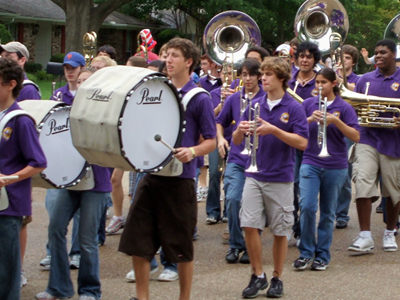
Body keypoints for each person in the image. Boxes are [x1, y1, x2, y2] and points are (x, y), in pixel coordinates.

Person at [118, 37, 216, 300]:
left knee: (181, 246)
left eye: (174, 55)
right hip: (150, 175)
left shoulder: (199, 98)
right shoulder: (156, 90)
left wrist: (193, 151)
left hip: (180, 179)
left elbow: (211, 140)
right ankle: (142, 296)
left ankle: (184, 297)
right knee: (138, 241)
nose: (168, 60)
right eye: (166, 54)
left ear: (189, 62)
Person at [234, 57, 308, 298]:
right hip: (254, 173)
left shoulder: (293, 107)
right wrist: (239, 130)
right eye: (262, 74)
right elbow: (236, 141)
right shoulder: (255, 103)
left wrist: (274, 129)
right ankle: (257, 275)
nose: (262, 78)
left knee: (279, 230)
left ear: (282, 79)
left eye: (268, 75)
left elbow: (303, 142)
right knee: (248, 224)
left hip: (280, 176)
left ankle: (277, 277)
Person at [292, 68, 360, 271]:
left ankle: (322, 255)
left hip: (336, 165)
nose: (319, 86)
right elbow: (294, 130)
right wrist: (310, 120)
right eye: (317, 82)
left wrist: (336, 121)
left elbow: (356, 136)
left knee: (329, 213)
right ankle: (305, 252)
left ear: (333, 84)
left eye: (324, 82)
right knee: (307, 207)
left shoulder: (344, 107)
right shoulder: (307, 105)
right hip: (311, 161)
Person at [0, 57, 47, 300]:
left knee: (7, 272)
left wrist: (9, 178)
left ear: (10, 85)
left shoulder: (21, 120)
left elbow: (38, 162)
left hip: (10, 205)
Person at [348, 39, 400, 253]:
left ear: (394, 55)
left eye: (383, 53)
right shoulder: (365, 79)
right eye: (376, 53)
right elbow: (357, 109)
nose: (377, 56)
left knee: (393, 191)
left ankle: (389, 232)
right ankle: (365, 235)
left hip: (394, 141)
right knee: (362, 182)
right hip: (367, 138)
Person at [216, 58, 266, 262]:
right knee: (233, 198)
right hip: (237, 156)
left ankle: (251, 245)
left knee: (254, 203)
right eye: (244, 74)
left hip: (259, 159)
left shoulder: (266, 97)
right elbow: (220, 121)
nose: (247, 79)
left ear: (259, 76)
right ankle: (236, 244)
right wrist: (220, 139)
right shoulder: (234, 98)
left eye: (251, 75)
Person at [288, 41, 321, 244]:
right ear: (296, 58)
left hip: (312, 142)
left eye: (309, 56)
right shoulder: (289, 82)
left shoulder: (320, 82)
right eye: (301, 56)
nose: (305, 59)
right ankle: (293, 224)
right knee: (290, 184)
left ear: (314, 60)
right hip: (289, 140)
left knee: (303, 187)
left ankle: (302, 228)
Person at [334, 44, 360, 229]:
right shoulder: (330, 78)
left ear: (353, 61)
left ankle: (342, 214)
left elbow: (358, 97)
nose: (342, 61)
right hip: (329, 128)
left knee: (344, 174)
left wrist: (345, 85)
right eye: (339, 58)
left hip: (347, 129)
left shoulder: (359, 80)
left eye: (347, 58)